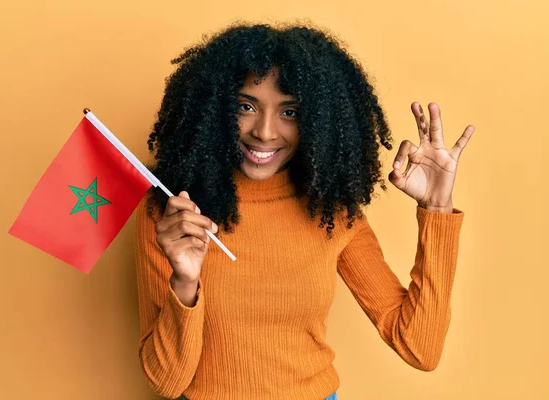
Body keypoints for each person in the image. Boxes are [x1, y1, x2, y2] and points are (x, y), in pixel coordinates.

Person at [133, 23, 474, 400]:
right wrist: (186, 282)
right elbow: (166, 383)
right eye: (245, 106)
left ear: (318, 120)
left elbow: (420, 349)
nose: (264, 132)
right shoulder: (172, 214)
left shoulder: (332, 212)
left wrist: (437, 210)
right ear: (213, 107)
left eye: (290, 111)